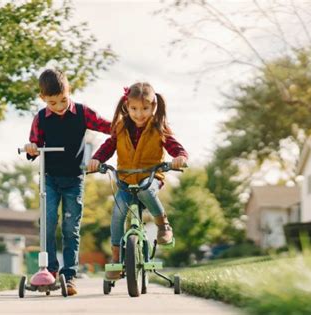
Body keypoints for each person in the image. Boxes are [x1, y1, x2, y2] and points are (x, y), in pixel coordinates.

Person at [88, 82, 188, 280]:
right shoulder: (120, 127)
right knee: (117, 213)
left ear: (153, 107)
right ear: (127, 106)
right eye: (134, 108)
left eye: (145, 108)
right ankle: (116, 259)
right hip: (125, 179)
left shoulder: (159, 127)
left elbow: (175, 146)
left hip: (150, 178)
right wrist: (97, 159)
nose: (139, 114)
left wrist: (180, 157)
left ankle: (163, 225)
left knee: (145, 191)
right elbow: (109, 146)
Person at [24, 69, 111, 295]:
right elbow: (34, 145)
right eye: (53, 103)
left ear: (68, 91)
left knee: (71, 228)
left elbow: (107, 126)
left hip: (74, 179)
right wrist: (32, 148)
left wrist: (128, 126)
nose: (60, 106)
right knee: (49, 223)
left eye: (63, 100)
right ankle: (50, 271)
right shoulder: (41, 118)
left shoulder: (82, 112)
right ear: (43, 98)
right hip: (50, 179)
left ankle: (69, 275)